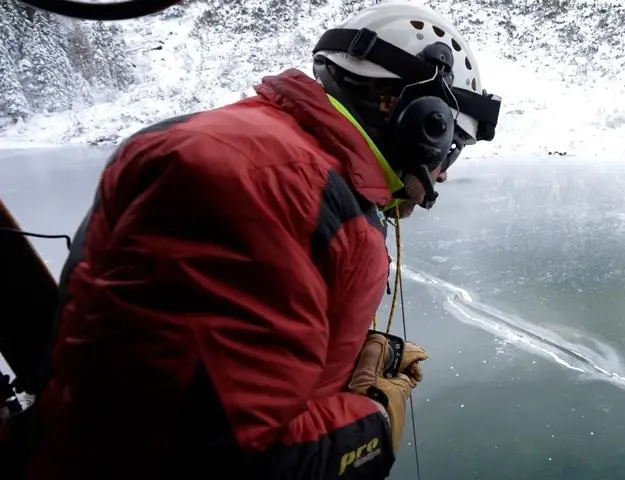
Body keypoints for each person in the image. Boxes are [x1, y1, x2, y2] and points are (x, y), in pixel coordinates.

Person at [25, 1, 501, 479]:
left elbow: (191, 365)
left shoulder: (287, 167)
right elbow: (229, 461)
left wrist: (339, 352)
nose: (441, 173)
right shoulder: (261, 187)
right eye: (450, 150)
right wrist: (373, 420)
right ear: (424, 125)